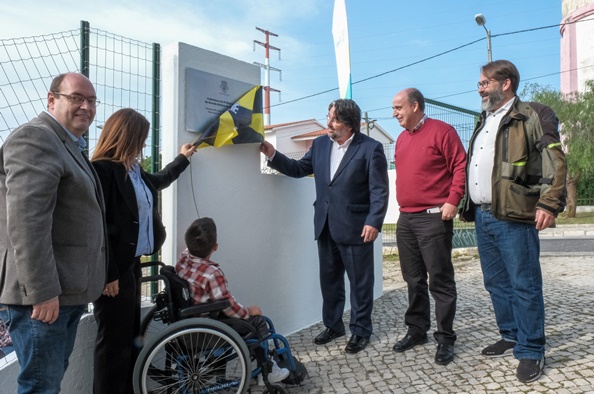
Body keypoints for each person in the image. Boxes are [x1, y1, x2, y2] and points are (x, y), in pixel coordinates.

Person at [0, 72, 107, 393]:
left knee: (49, 382)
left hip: (65, 292)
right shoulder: (36, 138)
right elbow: (26, 222)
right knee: (40, 387)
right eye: (76, 98)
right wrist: (42, 291)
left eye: (91, 101)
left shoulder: (67, 143)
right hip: (45, 298)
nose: (85, 107)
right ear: (51, 100)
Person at [460, 60, 567, 383]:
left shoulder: (530, 115)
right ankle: (510, 334)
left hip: (515, 216)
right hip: (482, 215)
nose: (479, 88)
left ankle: (532, 349)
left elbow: (555, 159)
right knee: (495, 283)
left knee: (525, 284)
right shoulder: (484, 119)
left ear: (505, 83)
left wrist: (549, 202)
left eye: (484, 83)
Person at [260, 98, 389, 354]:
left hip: (356, 227)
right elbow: (298, 169)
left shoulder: (370, 148)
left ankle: (361, 331)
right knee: (329, 281)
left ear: (350, 124)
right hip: (325, 224)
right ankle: (333, 326)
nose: (328, 123)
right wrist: (270, 153)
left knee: (360, 284)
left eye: (335, 119)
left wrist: (374, 221)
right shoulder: (319, 145)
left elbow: (379, 190)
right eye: (328, 116)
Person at [91, 108, 195, 394]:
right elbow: (97, 228)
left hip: (133, 265)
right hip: (114, 273)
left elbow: (160, 179)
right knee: (113, 344)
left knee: (128, 339)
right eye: (142, 139)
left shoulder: (133, 169)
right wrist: (108, 274)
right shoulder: (102, 170)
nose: (144, 145)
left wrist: (183, 158)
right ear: (127, 136)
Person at [390, 88, 466, 366]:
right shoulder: (400, 138)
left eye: (398, 107)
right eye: (393, 109)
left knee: (441, 280)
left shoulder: (442, 132)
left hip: (434, 217)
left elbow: (460, 165)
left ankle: (445, 338)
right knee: (413, 279)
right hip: (406, 219)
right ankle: (416, 330)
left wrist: (453, 200)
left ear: (415, 105)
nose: (394, 113)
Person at [175, 217, 290, 384]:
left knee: (231, 316)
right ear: (215, 247)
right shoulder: (212, 274)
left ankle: (223, 372)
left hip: (190, 324)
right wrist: (249, 311)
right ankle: (267, 369)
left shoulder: (183, 260)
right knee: (258, 321)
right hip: (207, 330)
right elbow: (229, 308)